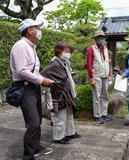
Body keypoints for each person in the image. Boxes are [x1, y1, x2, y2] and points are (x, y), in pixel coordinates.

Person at [10, 19, 53, 160]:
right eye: (37, 28)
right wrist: (41, 80)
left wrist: (41, 79)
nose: (39, 31)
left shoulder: (30, 47)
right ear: (30, 30)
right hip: (25, 87)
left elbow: (32, 71)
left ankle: (36, 146)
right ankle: (28, 156)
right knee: (33, 122)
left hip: (32, 86)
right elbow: (21, 71)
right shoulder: (21, 46)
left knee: (38, 119)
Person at [40, 41, 81, 144]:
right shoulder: (54, 64)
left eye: (69, 51)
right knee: (61, 116)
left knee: (69, 114)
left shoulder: (65, 63)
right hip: (59, 94)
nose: (68, 54)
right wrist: (52, 85)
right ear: (59, 52)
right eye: (66, 51)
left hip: (68, 92)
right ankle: (58, 137)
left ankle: (69, 133)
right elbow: (41, 76)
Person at [87, 30, 112, 124]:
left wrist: (109, 75)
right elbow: (89, 64)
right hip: (96, 75)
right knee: (96, 96)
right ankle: (97, 115)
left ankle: (104, 113)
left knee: (104, 95)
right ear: (96, 39)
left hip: (105, 76)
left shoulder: (105, 49)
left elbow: (108, 63)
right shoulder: (91, 49)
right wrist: (91, 78)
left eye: (103, 38)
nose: (102, 39)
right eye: (100, 38)